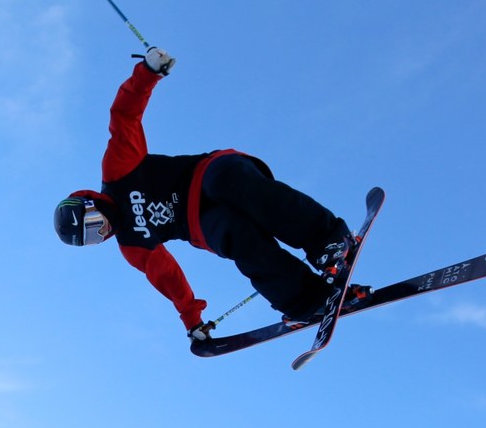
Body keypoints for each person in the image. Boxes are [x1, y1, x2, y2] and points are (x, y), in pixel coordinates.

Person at [54, 47, 359, 342]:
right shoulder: (132, 245)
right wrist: (191, 320)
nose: (102, 230)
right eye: (94, 236)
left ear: (90, 203)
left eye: (93, 221)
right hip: (200, 222)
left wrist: (147, 73)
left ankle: (327, 241)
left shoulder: (118, 173)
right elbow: (168, 278)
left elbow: (124, 118)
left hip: (205, 175)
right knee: (233, 237)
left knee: (227, 182)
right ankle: (306, 301)